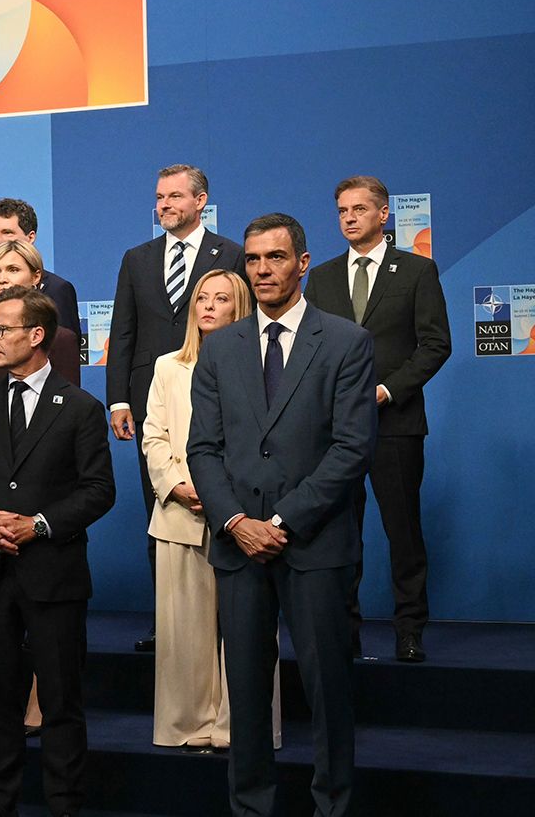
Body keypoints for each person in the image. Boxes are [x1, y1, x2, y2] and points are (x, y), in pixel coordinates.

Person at [188, 213, 375, 817]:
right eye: (252, 259)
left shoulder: (346, 342)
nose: (262, 270)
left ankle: (334, 806)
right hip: (238, 547)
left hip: (315, 545)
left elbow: (351, 447)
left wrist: (285, 522)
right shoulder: (220, 349)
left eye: (274, 258)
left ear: (302, 262)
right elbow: (203, 450)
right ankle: (251, 807)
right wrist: (236, 523)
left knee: (328, 692)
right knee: (245, 693)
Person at [0, 286, 116, 817]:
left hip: (53, 573)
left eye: (0, 330)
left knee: (61, 702)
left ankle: (64, 804)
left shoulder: (82, 408)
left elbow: (98, 490)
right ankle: (0, 804)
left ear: (36, 335)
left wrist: (37, 526)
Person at [305, 175, 450, 662]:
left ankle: (409, 629)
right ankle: (345, 630)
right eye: (342, 210)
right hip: (334, 431)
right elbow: (311, 350)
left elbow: (435, 345)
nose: (349, 217)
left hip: (396, 425)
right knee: (340, 531)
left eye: (359, 209)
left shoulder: (415, 271)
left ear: (384, 215)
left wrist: (388, 391)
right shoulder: (321, 277)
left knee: (402, 531)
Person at [106, 165, 246, 651]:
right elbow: (122, 331)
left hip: (225, 397)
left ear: (200, 200)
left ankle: (230, 618)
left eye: (174, 197)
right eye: (159, 197)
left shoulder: (229, 253)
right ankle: (165, 621)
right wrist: (120, 398)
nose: (164, 205)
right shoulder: (137, 258)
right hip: (155, 397)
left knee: (226, 510)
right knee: (162, 509)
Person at [144, 269, 281, 749]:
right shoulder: (167, 366)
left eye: (221, 299)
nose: (207, 306)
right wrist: (178, 485)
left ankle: (241, 727)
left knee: (248, 632)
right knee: (182, 633)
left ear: (239, 307)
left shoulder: (265, 364)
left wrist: (224, 494)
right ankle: (186, 724)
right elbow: (153, 436)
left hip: (242, 514)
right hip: (180, 512)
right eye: (201, 297)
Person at [0, 200, 81, 431]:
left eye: (7, 233)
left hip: (43, 417)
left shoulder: (59, 290)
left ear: (30, 237)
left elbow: (66, 358)